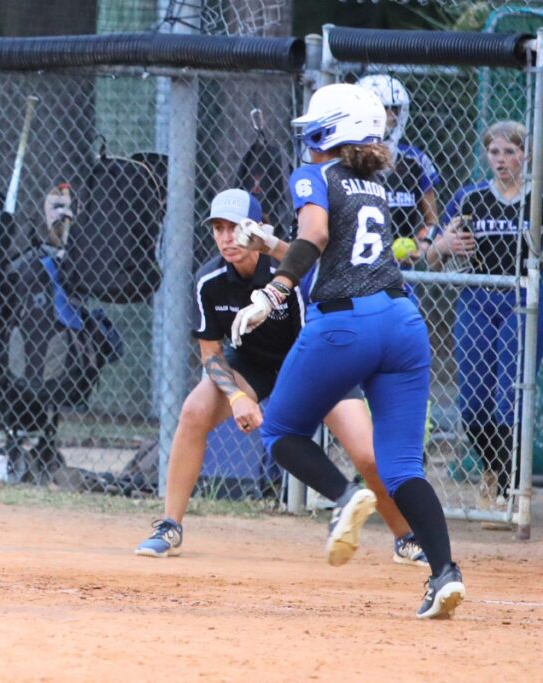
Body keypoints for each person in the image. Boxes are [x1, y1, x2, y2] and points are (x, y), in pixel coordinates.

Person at [231, 83, 464, 619]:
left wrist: (273, 290)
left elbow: (315, 232)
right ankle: (445, 573)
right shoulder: (373, 183)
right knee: (403, 465)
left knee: (282, 431)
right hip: (403, 323)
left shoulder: (314, 174)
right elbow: (323, 248)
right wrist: (269, 245)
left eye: (315, 131)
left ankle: (344, 498)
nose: (308, 141)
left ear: (329, 132)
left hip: (345, 324)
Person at [134, 189, 428, 569]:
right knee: (193, 412)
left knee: (369, 455)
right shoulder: (209, 280)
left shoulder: (286, 272)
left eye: (236, 228)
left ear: (258, 230)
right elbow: (211, 353)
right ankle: (169, 526)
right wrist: (238, 397)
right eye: (219, 229)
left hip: (318, 361)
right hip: (253, 364)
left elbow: (313, 330)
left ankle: (405, 537)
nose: (227, 238)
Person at [426, 120, 540, 522]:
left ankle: (510, 488)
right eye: (495, 152)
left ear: (525, 154)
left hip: (521, 301)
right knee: (473, 406)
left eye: (510, 152)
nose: (502, 160)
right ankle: (495, 468)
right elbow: (433, 257)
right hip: (476, 298)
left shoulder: (537, 197)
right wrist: (446, 243)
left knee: (508, 401)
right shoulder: (470, 197)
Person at [357, 74, 442, 263]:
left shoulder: (414, 160)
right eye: (383, 109)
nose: (391, 116)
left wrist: (423, 244)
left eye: (394, 109)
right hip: (355, 269)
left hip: (400, 273)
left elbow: (432, 221)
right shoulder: (346, 161)